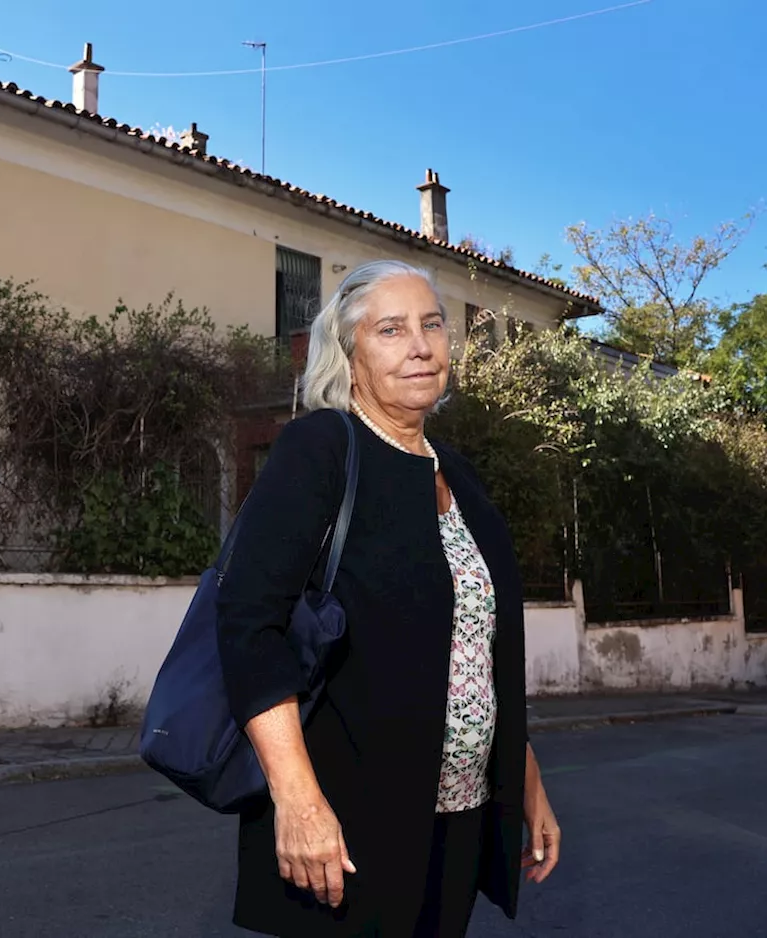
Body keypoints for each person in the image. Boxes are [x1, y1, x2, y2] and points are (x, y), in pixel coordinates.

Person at [215, 259, 561, 938]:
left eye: (432, 324)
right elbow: (249, 624)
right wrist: (298, 801)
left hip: (457, 820)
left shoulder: (457, 475)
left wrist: (527, 784)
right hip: (349, 824)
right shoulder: (320, 450)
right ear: (350, 355)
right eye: (392, 329)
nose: (422, 346)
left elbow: (479, 651)